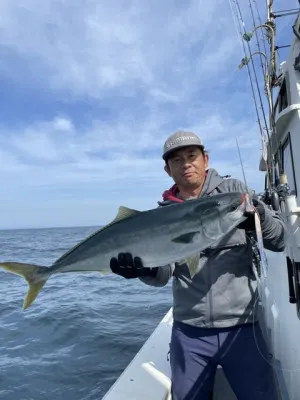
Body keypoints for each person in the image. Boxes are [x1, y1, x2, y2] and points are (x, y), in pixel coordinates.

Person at [110, 131, 286, 400]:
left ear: (205, 159)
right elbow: (163, 274)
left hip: (243, 328)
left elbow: (280, 239)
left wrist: (260, 218)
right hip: (190, 333)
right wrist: (145, 270)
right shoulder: (162, 214)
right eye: (177, 160)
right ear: (167, 170)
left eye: (192, 156)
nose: (186, 164)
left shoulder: (235, 194)